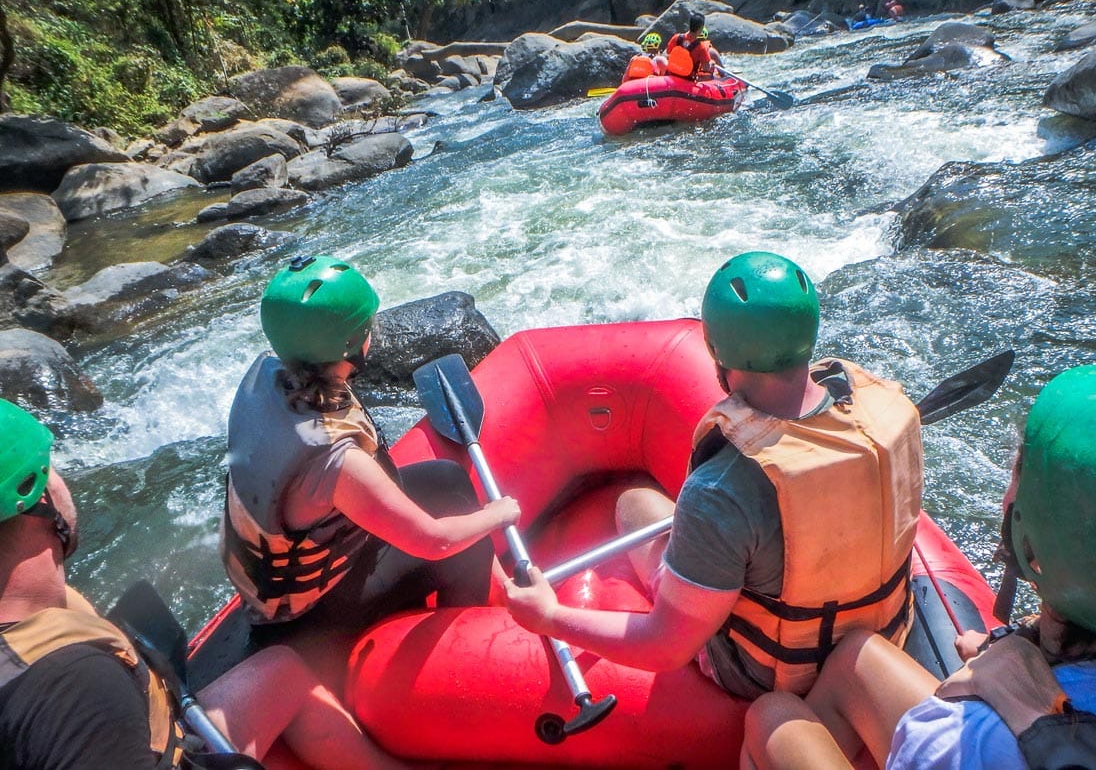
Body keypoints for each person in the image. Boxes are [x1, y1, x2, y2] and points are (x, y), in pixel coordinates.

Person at [505, 251, 923, 702]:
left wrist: (548, 615)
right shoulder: (890, 412)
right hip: (881, 638)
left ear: (716, 350)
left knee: (633, 503)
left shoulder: (722, 489)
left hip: (765, 672)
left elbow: (665, 646)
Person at [741, 364, 1096, 769]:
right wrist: (1021, 651)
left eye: (1017, 475)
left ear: (1035, 546)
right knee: (856, 656)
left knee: (772, 715)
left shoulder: (957, 741)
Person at [0, 399, 405, 769]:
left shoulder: (32, 623)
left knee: (283, 673)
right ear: (37, 495)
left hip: (170, 735)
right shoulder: (76, 686)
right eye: (52, 464)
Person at [220, 254, 519, 636]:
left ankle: (491, 591)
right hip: (314, 610)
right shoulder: (335, 460)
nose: (372, 333)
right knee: (468, 548)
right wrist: (501, 513)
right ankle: (470, 641)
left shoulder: (274, 376)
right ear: (349, 344)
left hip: (300, 559)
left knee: (445, 477)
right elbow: (434, 542)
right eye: (367, 327)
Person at [665, 13, 724, 79]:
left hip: (671, 74)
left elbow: (668, 53)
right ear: (701, 29)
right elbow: (706, 68)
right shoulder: (701, 47)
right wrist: (711, 64)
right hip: (687, 79)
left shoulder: (676, 37)